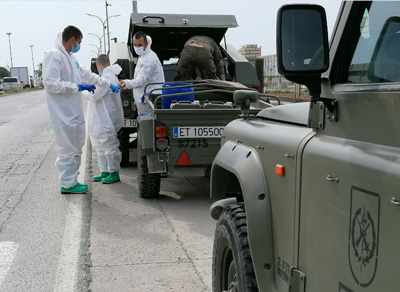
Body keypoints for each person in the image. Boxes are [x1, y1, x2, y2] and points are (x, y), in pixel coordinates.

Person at [43, 25, 122, 194]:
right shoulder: (54, 56)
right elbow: (50, 84)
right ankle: (67, 184)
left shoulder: (71, 58)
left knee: (76, 146)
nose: (79, 45)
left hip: (73, 111)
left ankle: (72, 180)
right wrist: (76, 86)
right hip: (62, 111)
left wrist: (108, 84)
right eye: (79, 42)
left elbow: (89, 75)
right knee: (66, 148)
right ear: (72, 40)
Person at [85, 54, 124, 184]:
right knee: (100, 144)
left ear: (99, 65)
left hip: (105, 117)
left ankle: (113, 172)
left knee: (108, 143)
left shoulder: (107, 77)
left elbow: (94, 94)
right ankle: (105, 171)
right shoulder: (108, 76)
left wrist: (83, 89)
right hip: (102, 116)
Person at [118, 31, 165, 114]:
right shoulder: (143, 56)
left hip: (149, 100)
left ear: (146, 44)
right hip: (144, 99)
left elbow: (141, 81)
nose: (137, 47)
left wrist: (126, 83)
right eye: (135, 45)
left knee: (148, 125)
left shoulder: (149, 59)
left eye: (139, 45)